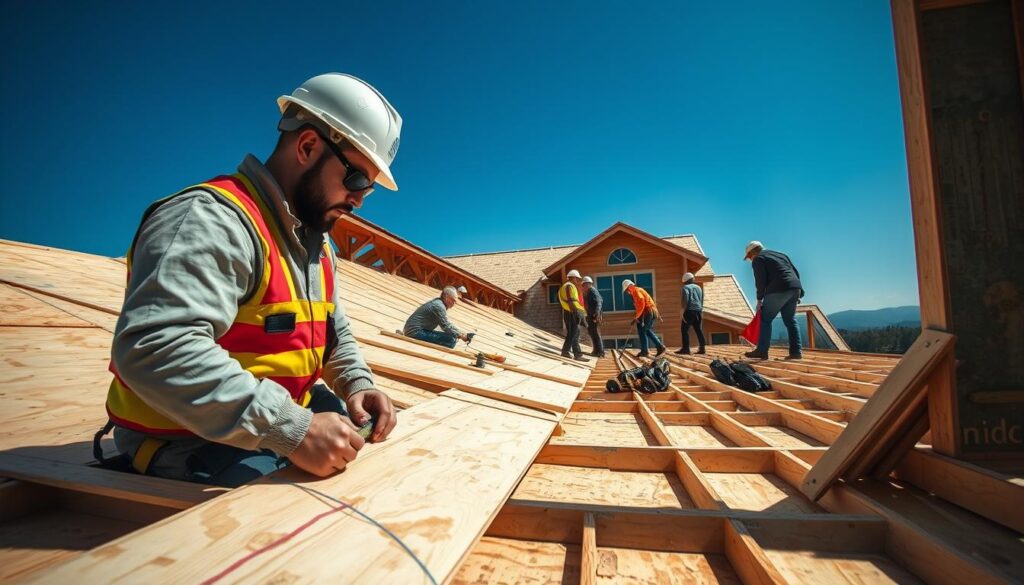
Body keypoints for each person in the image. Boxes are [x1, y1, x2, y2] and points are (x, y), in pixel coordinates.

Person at [101, 73, 401, 487]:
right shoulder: (211, 220)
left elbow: (334, 332)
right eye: (356, 179)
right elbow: (155, 348)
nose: (360, 198)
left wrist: (356, 384)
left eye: (369, 187)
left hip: (272, 415)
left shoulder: (318, 247)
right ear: (308, 146)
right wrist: (293, 430)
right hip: (185, 436)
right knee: (292, 512)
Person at [744, 240, 804, 360]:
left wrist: (759, 299)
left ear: (752, 253)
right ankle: (796, 352)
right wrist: (798, 293)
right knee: (790, 320)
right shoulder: (781, 255)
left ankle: (762, 351)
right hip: (794, 288)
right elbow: (795, 273)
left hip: (777, 289)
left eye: (749, 257)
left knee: (765, 319)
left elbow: (760, 281)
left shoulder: (758, 259)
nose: (750, 260)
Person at [404, 286, 471, 349]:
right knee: (451, 340)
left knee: (451, 335)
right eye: (453, 300)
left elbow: (447, 323)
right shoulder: (439, 306)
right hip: (415, 332)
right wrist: (460, 335)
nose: (454, 303)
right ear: (446, 297)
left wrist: (461, 333)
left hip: (412, 329)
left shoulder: (439, 303)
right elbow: (445, 325)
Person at [623, 279, 666, 358]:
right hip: (647, 312)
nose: (627, 292)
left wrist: (636, 317)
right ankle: (658, 347)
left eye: (627, 289)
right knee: (645, 330)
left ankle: (646, 350)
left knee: (643, 330)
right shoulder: (636, 292)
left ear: (630, 286)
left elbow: (642, 303)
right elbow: (639, 307)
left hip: (648, 311)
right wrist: (636, 317)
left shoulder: (636, 291)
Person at [558, 270, 589, 362]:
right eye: (577, 278)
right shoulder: (569, 286)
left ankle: (575, 354)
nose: (577, 280)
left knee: (574, 333)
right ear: (573, 277)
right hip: (571, 312)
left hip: (569, 312)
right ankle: (568, 352)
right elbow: (571, 301)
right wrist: (576, 313)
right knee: (573, 333)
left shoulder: (565, 286)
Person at [676, 272, 706, 355]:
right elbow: (701, 300)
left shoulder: (685, 287)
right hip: (698, 310)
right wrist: (700, 309)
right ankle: (702, 348)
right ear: (692, 279)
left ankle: (686, 349)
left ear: (685, 281)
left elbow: (685, 300)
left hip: (689, 311)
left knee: (684, 330)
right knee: (698, 329)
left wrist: (682, 311)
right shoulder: (699, 288)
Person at [581, 276, 605, 358]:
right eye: (583, 285)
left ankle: (600, 352)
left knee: (596, 333)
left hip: (595, 316)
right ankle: (595, 350)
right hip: (590, 316)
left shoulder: (593, 291)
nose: (583, 286)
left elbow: (599, 302)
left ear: (589, 284)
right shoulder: (588, 293)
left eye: (584, 284)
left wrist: (597, 313)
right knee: (592, 333)